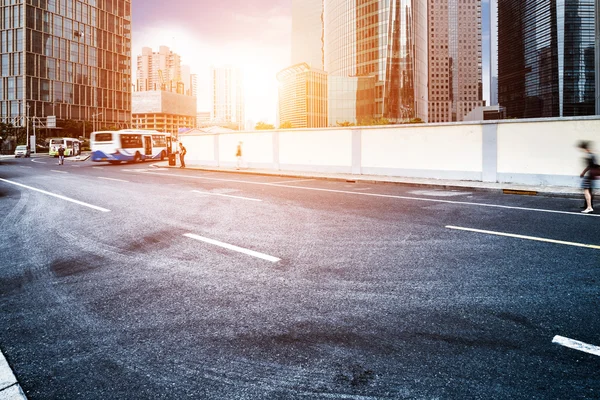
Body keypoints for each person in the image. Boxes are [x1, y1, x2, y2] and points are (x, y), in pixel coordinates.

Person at [578, 141, 599, 213]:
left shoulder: (589, 155)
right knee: (588, 190)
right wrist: (583, 172)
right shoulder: (591, 154)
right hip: (591, 175)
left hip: (590, 175)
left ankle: (589, 207)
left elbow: (590, 166)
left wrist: (584, 172)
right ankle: (587, 205)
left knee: (587, 190)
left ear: (584, 148)